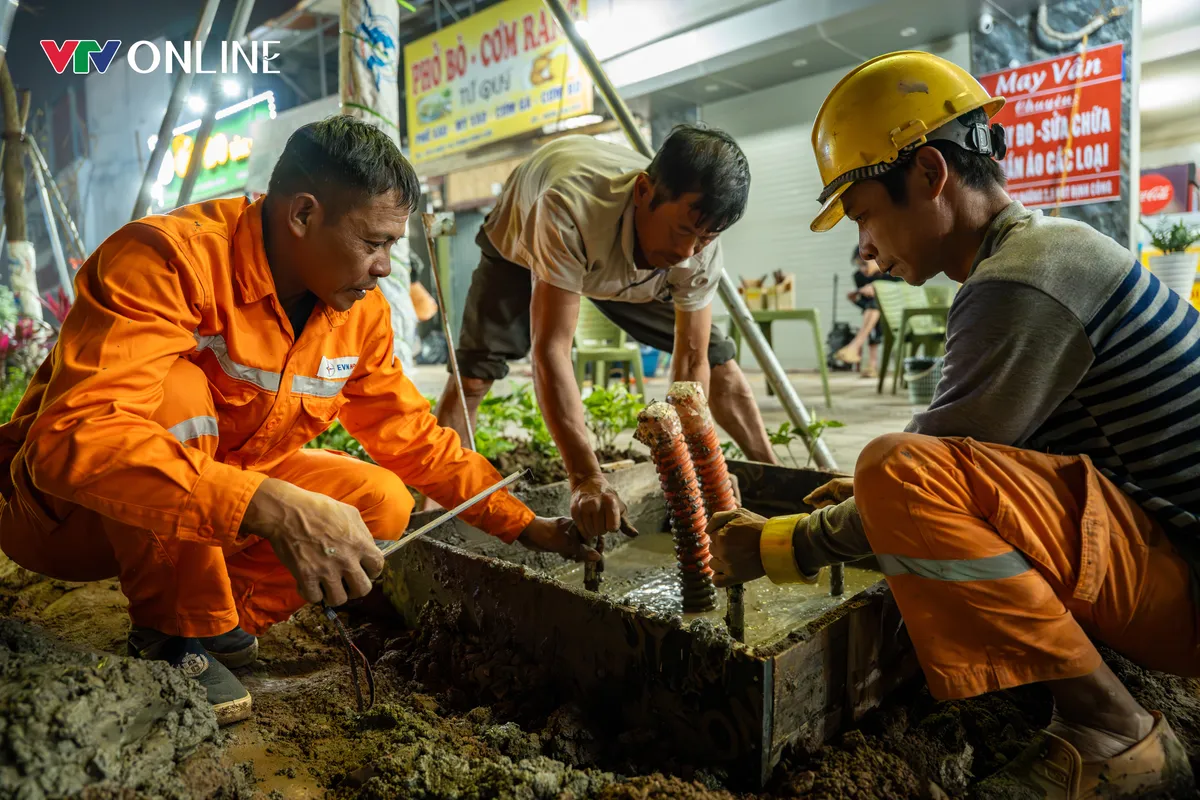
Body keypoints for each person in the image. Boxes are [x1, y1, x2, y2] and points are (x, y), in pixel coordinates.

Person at [707, 51, 1198, 798]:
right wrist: (871, 502)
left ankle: (1110, 734)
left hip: (1187, 594)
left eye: (866, 213)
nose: (864, 249)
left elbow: (918, 468)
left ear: (932, 175)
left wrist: (779, 544)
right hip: (1171, 555)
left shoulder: (1024, 280)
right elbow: (984, 460)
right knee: (890, 477)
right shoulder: (1045, 253)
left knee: (892, 469)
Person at [0, 117, 592, 725]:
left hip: (204, 506)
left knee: (381, 501)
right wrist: (271, 504)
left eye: (394, 246)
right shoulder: (166, 260)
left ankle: (219, 625)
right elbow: (73, 441)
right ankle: (172, 630)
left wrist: (525, 527)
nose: (387, 267)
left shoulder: (357, 312)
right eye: (375, 243)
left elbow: (412, 434)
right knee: (174, 391)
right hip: (68, 518)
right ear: (303, 215)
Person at [433, 125, 778, 541]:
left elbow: (691, 364)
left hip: (628, 262)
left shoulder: (697, 249)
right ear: (644, 192)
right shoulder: (568, 205)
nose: (689, 252)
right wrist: (585, 477)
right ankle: (435, 513)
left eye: (706, 237)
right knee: (473, 375)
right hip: (524, 236)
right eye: (684, 231)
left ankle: (775, 481)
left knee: (718, 361)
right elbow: (552, 351)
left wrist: (698, 473)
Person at [834, 246, 900, 377]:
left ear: (876, 259)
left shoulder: (894, 272)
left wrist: (880, 289)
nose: (862, 269)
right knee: (873, 307)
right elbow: (866, 306)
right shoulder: (859, 277)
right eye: (858, 265)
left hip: (896, 312)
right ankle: (871, 364)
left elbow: (903, 294)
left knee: (875, 306)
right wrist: (855, 301)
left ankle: (857, 348)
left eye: (864, 264)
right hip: (875, 315)